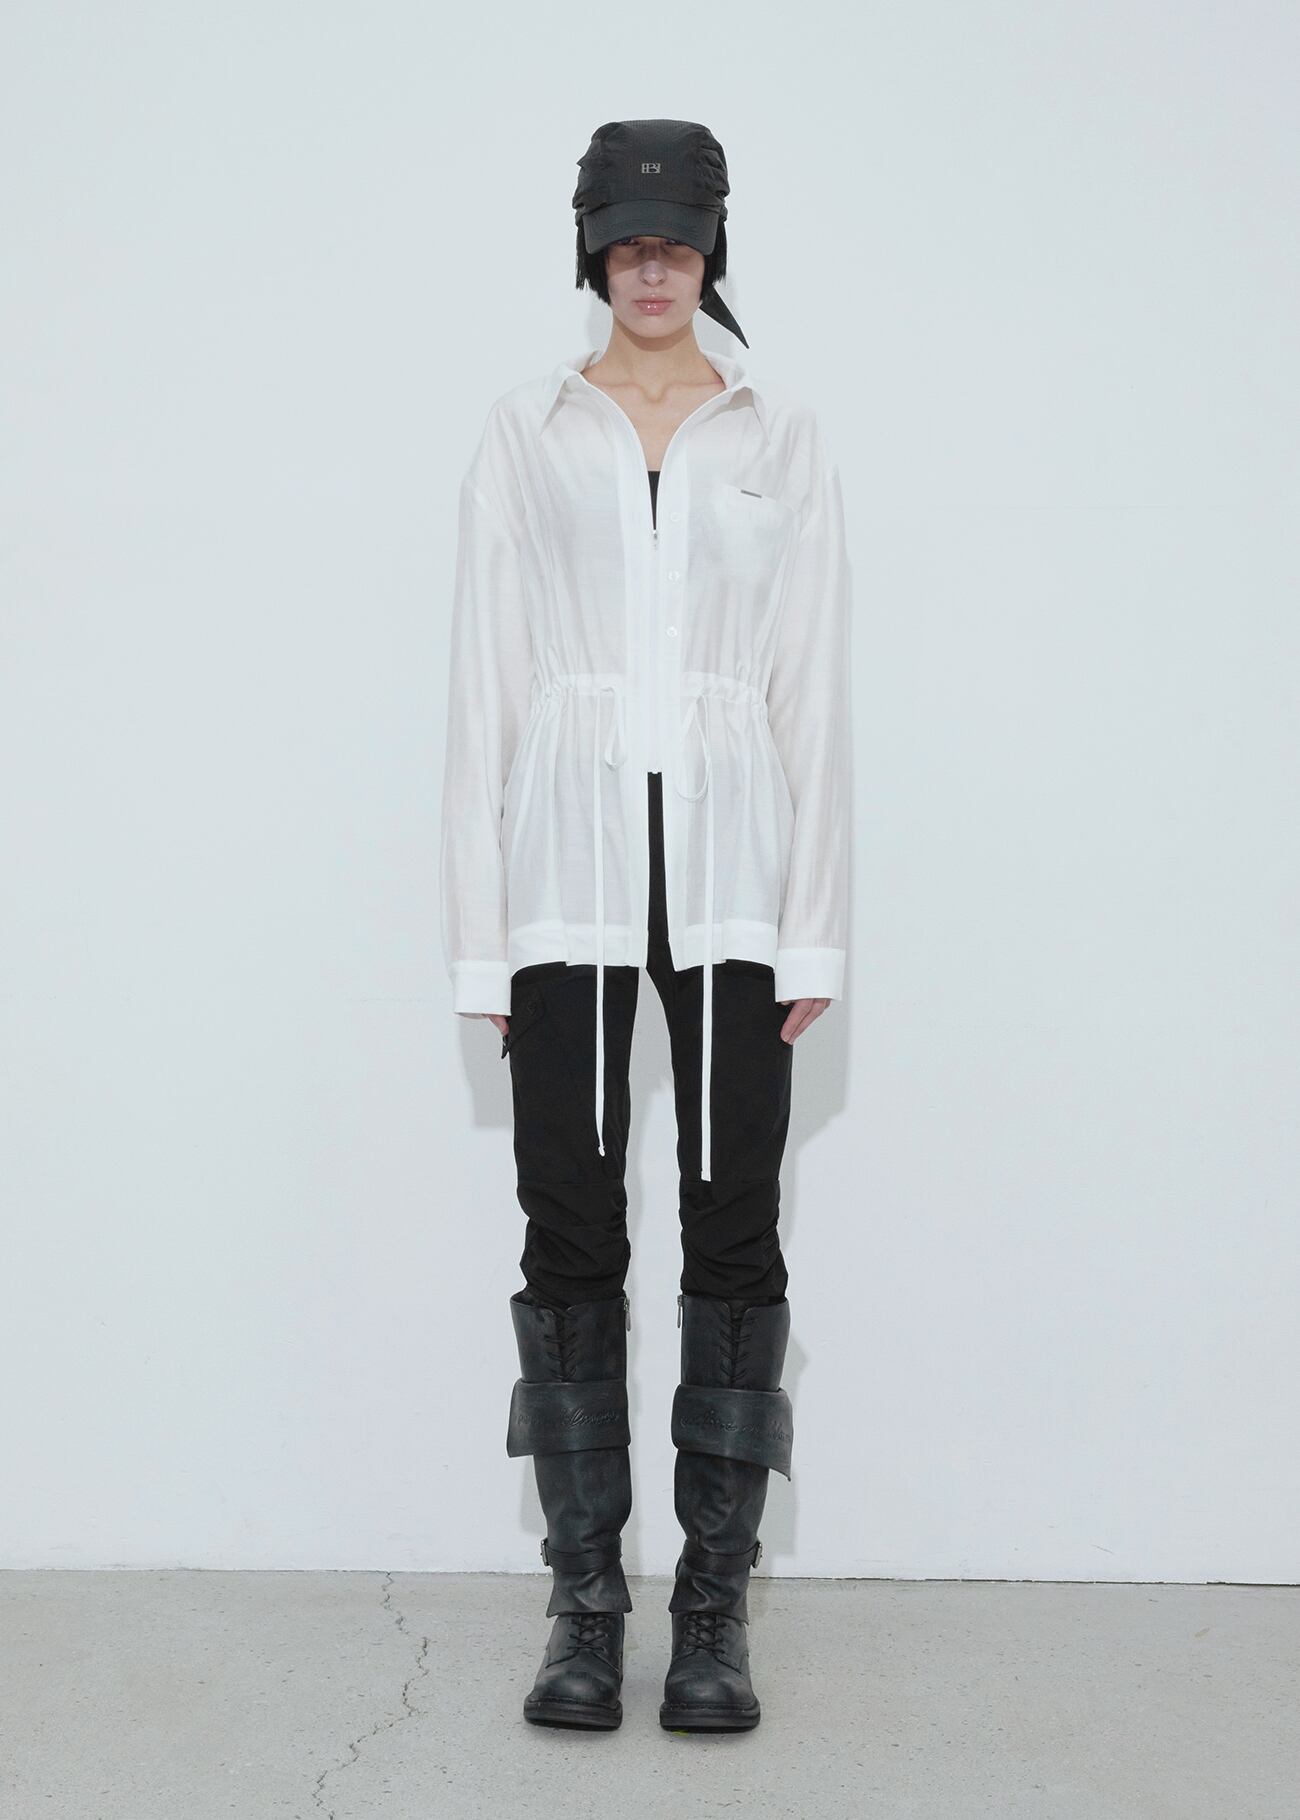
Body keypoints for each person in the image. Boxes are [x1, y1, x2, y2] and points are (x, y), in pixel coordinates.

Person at [439, 118, 853, 1734]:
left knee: (734, 1229)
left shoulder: (777, 431)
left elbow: (813, 682)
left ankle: (714, 1617)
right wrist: (483, 934)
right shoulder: (527, 430)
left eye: (678, 237)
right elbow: (484, 682)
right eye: (628, 236)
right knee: (570, 1226)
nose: (655, 262)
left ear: (712, 245)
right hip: (570, 870)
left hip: (736, 869)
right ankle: (586, 1604)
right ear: (594, 248)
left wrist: (814, 930)